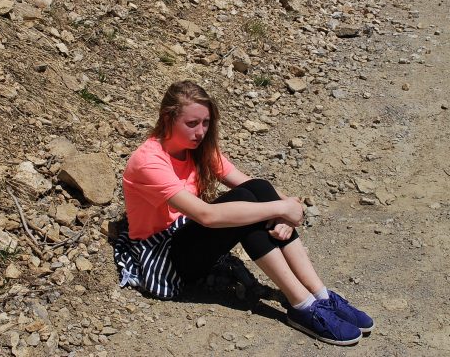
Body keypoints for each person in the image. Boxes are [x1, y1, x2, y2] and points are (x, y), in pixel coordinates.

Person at [114, 80, 374, 346]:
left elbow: (249, 184)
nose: (201, 131)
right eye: (192, 123)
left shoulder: (198, 148)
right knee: (247, 214)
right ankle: (301, 304)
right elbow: (207, 216)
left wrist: (288, 209)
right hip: (164, 258)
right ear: (167, 119)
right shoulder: (148, 161)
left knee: (257, 192)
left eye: (205, 123)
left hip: (188, 237)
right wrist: (279, 209)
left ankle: (320, 295)